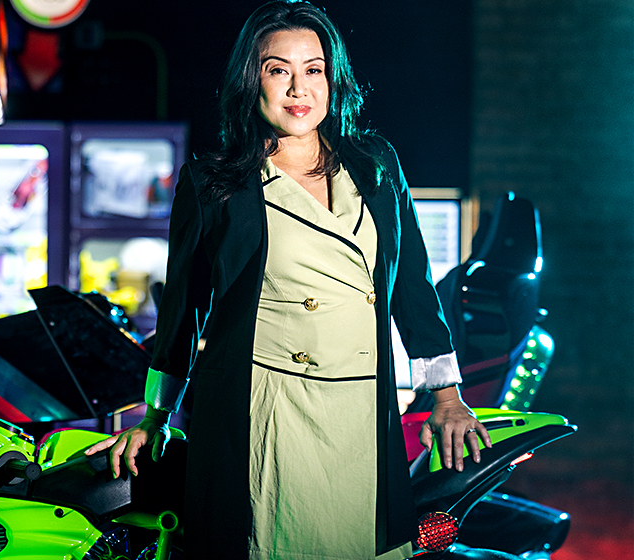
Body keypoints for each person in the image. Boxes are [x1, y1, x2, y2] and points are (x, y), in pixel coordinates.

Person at [86, 2, 491, 559]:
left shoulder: (376, 164)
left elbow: (413, 288)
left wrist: (447, 394)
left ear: (333, 79)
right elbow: (183, 310)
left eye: (313, 69)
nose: (298, 88)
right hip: (268, 407)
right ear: (252, 81)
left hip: (360, 406)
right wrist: (154, 417)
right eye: (278, 70)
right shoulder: (213, 182)